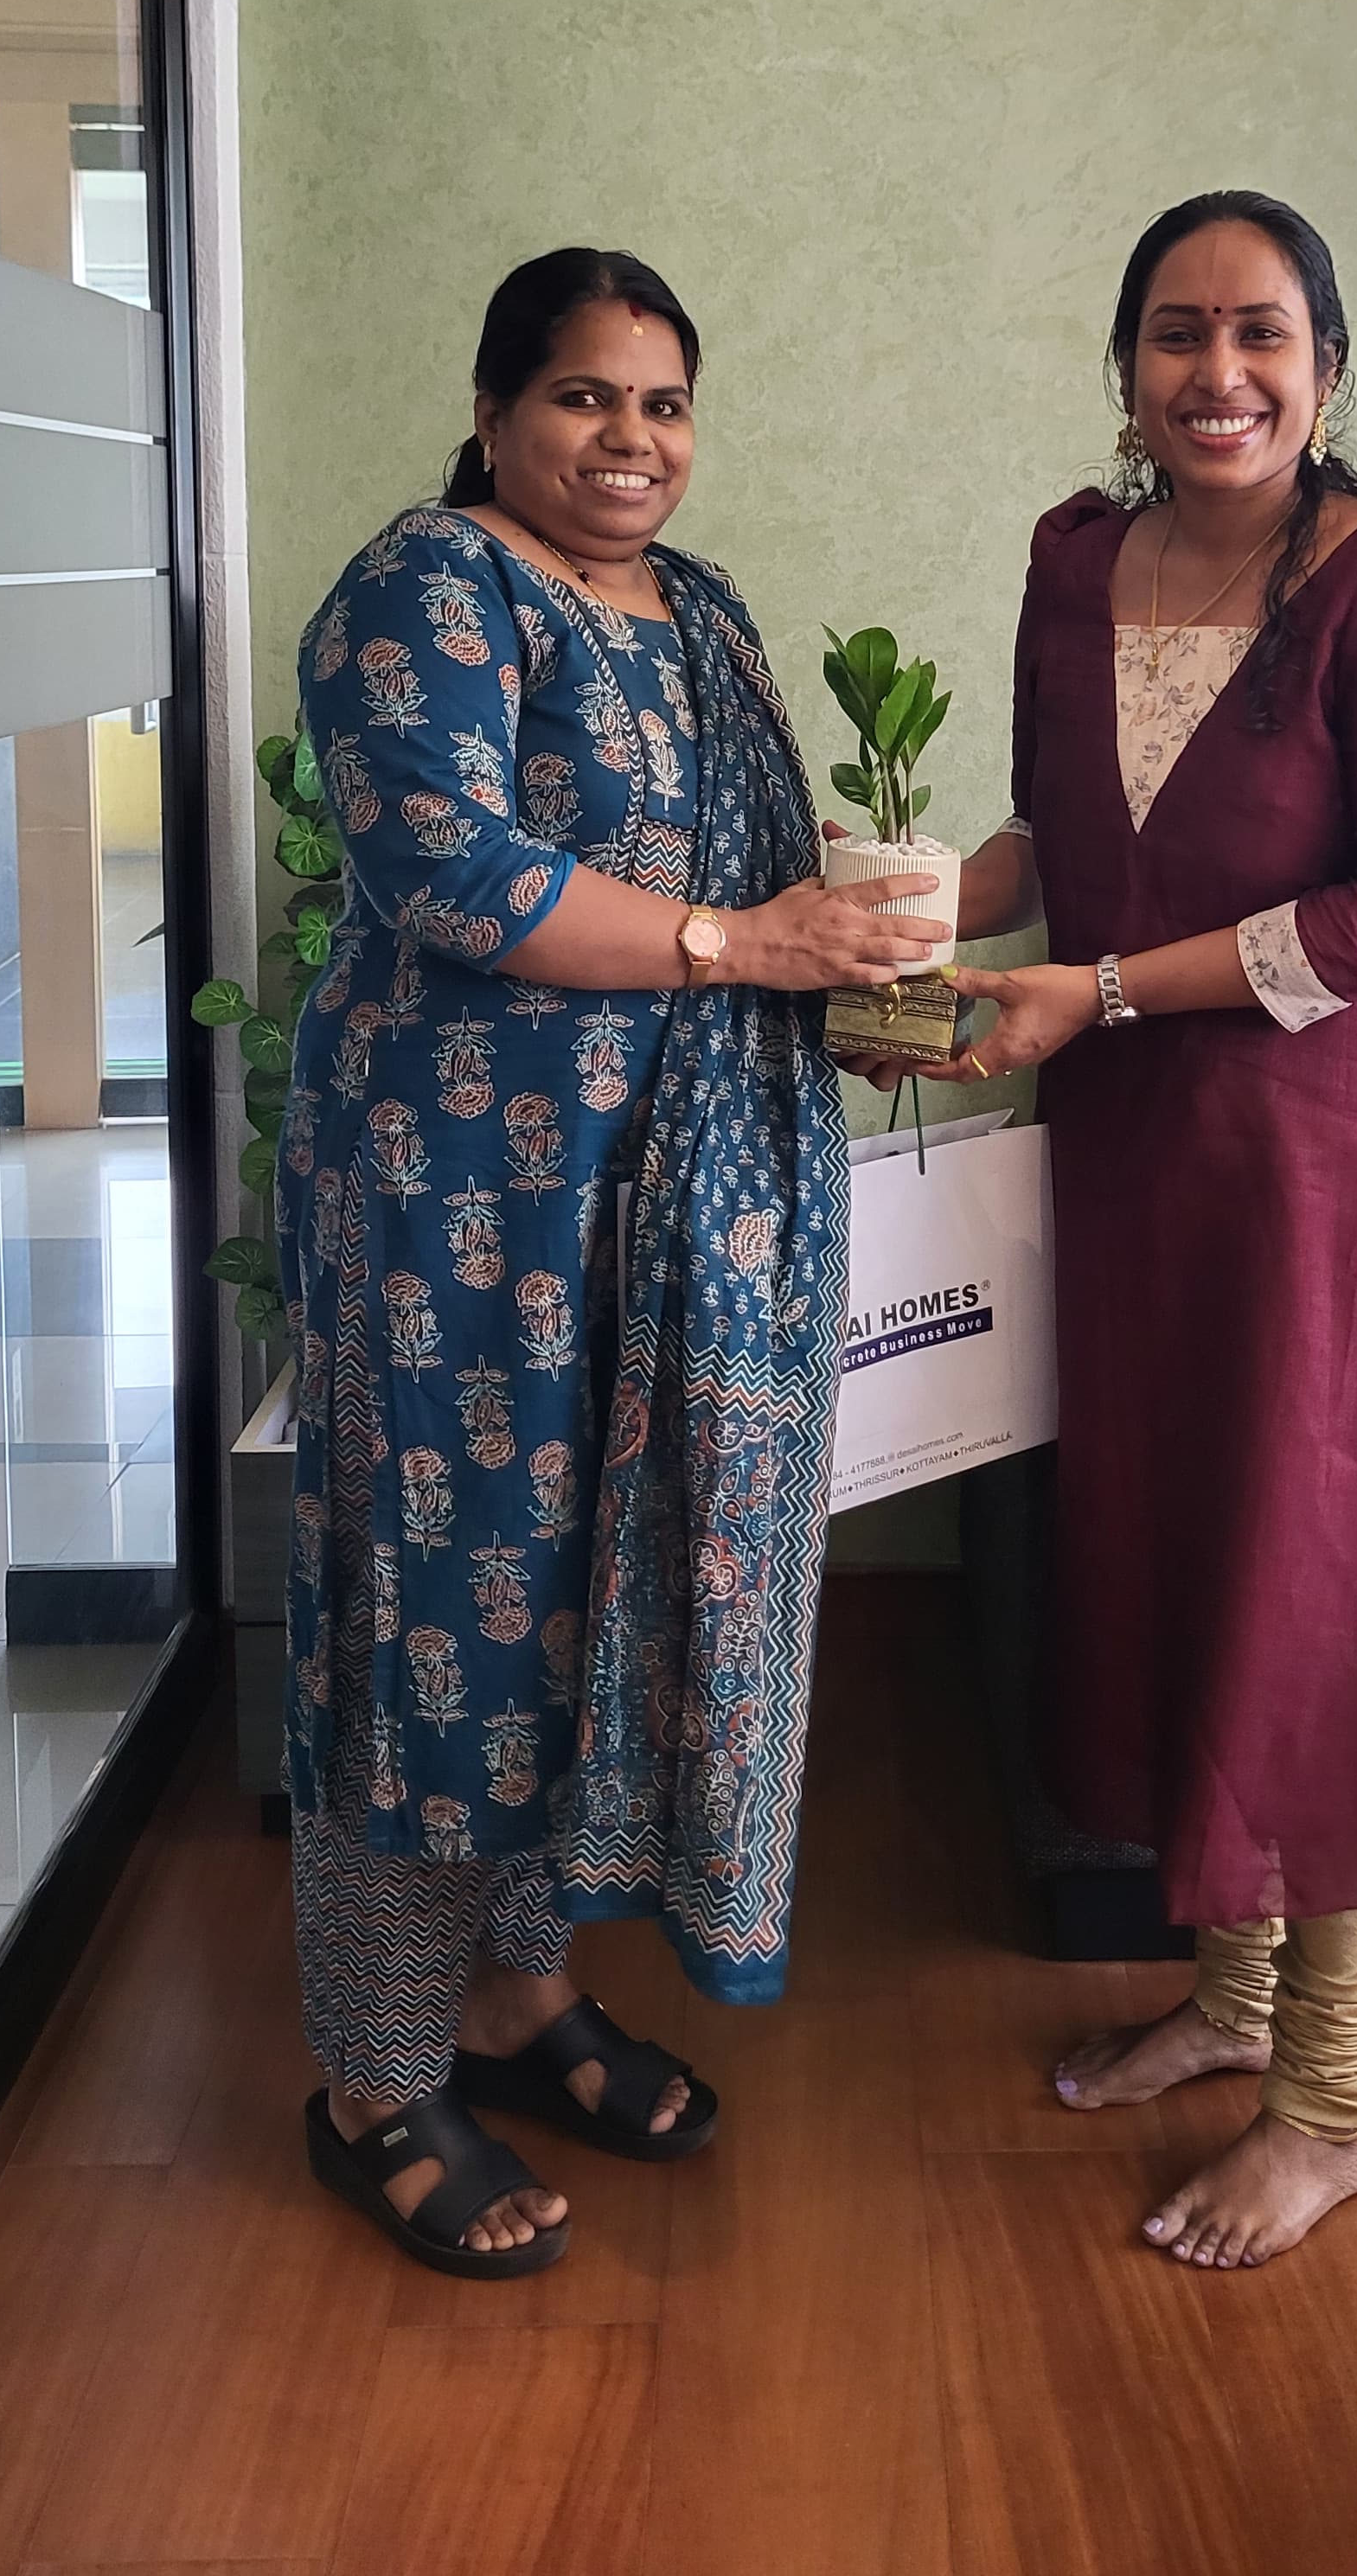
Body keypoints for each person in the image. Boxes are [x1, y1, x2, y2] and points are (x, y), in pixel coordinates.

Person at [279, 246, 941, 2277]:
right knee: (441, 1613)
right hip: (459, 1215)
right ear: (493, 411)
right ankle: (375, 2075)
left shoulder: (708, 609)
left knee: (588, 1605)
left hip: (671, 1206)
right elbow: (449, 867)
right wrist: (748, 948)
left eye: (664, 401)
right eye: (583, 394)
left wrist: (876, 960)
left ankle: (515, 1989)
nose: (630, 437)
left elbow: (771, 882)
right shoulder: (429, 587)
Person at [934, 189, 1357, 2270]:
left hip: (1329, 1166)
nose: (1219, 373)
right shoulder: (1074, 560)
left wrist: (1098, 991)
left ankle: (1334, 2100)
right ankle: (1231, 1994)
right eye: (1178, 332)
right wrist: (904, 907)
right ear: (1125, 366)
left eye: (1262, 333)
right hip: (1134, 1154)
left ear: (1330, 366)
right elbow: (1061, 836)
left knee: (1322, 1594)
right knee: (1196, 1567)